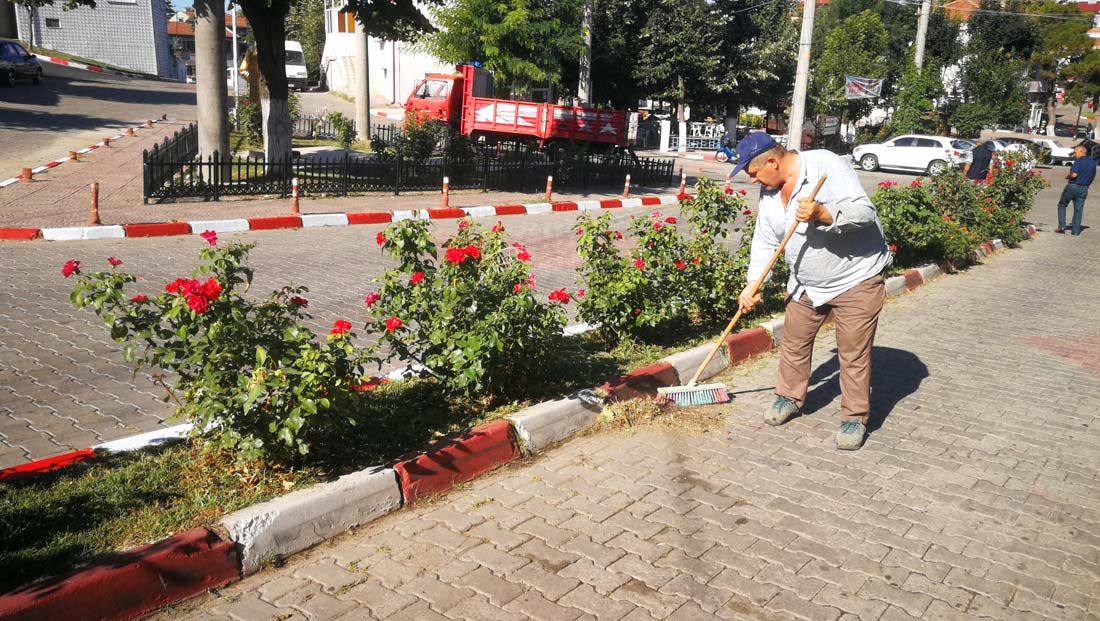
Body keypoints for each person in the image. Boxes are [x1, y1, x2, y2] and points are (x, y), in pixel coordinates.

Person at [732, 133, 891, 450]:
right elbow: (765, 240)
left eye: (753, 172)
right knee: (794, 341)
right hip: (807, 283)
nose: (752, 180)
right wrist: (753, 284)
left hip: (855, 278)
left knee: (852, 353)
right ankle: (788, 397)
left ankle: (853, 418)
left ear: (773, 162)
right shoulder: (770, 192)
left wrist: (823, 214)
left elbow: (865, 212)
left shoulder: (825, 164)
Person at [1058, 144, 1097, 235]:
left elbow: (1074, 175)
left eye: (1075, 152)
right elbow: (1093, 175)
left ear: (1081, 151)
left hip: (1073, 186)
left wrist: (1067, 176)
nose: (1075, 154)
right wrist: (1087, 185)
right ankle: (1075, 231)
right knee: (1078, 210)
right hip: (1084, 188)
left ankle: (1062, 226)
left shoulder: (1078, 161)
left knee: (1062, 205)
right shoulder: (1092, 162)